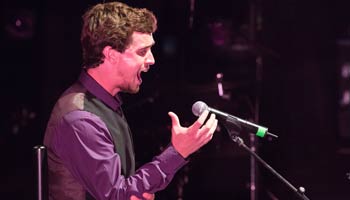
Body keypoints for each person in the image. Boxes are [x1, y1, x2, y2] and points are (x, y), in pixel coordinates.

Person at [43, 1, 218, 200]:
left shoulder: (105, 104)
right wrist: (177, 152)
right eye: (142, 52)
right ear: (111, 55)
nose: (151, 60)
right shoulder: (81, 119)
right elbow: (118, 195)